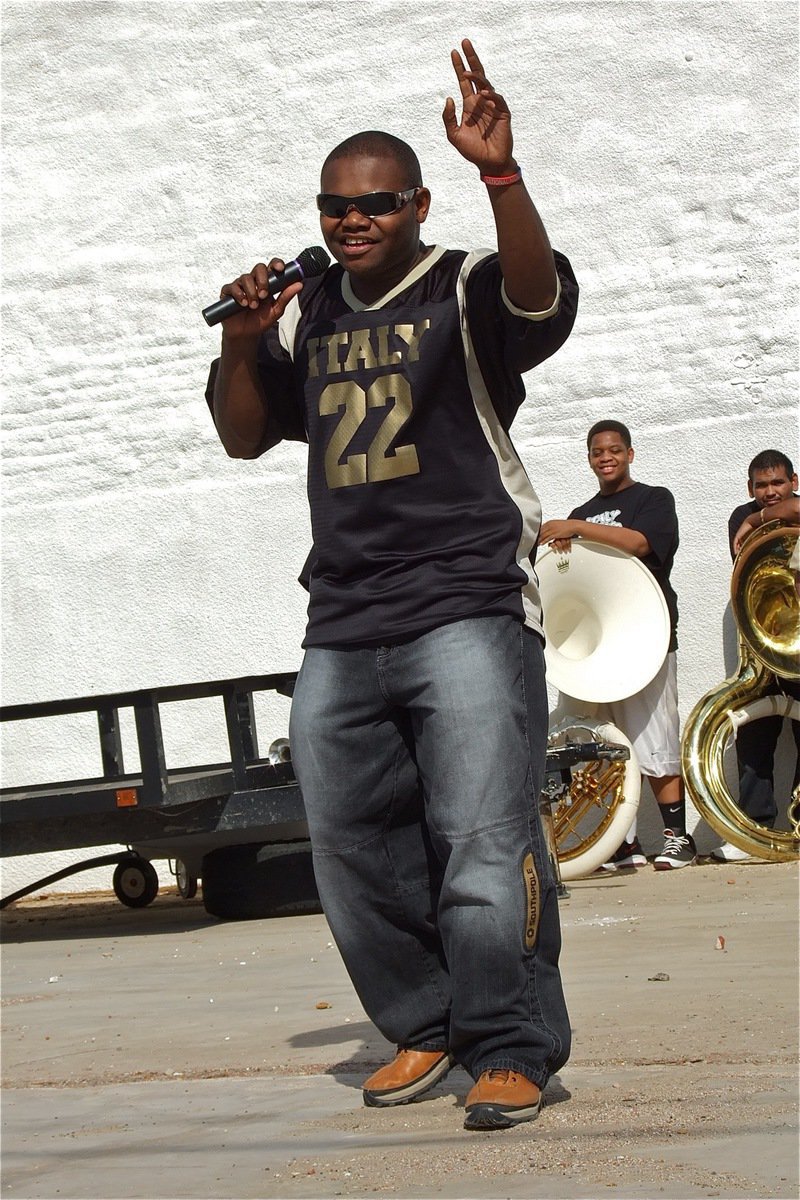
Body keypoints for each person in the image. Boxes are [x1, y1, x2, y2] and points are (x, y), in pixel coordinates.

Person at [205, 39, 578, 1131]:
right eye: (333, 204)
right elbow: (243, 436)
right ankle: (425, 1023)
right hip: (343, 616)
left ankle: (510, 1044)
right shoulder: (311, 308)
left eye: (373, 203)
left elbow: (535, 293)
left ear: (414, 204)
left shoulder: (461, 282)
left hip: (463, 600)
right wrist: (242, 339)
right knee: (351, 845)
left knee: (478, 840)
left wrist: (499, 177)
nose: (349, 219)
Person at [540, 420, 695, 870]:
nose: (605, 458)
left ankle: (676, 837)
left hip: (646, 638)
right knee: (598, 745)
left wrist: (575, 527)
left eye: (613, 450)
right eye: (596, 452)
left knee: (655, 738)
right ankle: (622, 844)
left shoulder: (654, 499)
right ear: (589, 458)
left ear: (630, 453)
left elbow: (640, 542)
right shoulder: (583, 511)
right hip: (597, 647)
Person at [712, 451, 800, 863]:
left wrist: (759, 521)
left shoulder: (757, 517)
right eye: (762, 486)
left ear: (793, 482)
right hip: (763, 645)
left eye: (778, 484)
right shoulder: (739, 517)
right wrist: (753, 520)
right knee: (753, 739)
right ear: (750, 489)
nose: (770, 492)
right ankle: (756, 827)